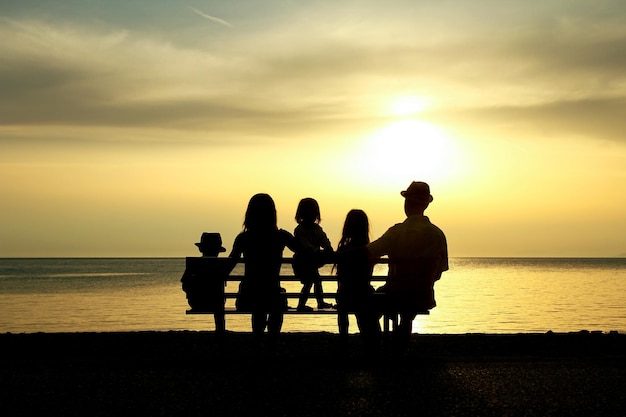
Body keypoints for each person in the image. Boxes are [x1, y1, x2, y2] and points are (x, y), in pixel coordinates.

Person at [367, 181, 448, 354]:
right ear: (426, 204)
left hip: (395, 293)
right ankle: (399, 351)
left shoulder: (397, 232)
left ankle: (376, 350)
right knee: (407, 313)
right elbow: (440, 271)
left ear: (407, 203)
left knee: (370, 308)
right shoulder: (438, 235)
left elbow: (370, 251)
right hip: (422, 295)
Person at [227, 193, 297, 350]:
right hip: (273, 296)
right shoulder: (281, 236)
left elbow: (229, 265)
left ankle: (258, 339)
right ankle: (272, 340)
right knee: (275, 299)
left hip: (248, 297)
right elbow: (302, 250)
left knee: (260, 299)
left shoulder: (243, 238)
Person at [334, 209, 382, 354]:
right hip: (362, 296)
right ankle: (372, 346)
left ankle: (345, 346)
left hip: (345, 297)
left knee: (361, 302)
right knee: (370, 305)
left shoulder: (343, 249)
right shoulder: (368, 250)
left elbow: (341, 278)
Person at [292, 197, 334, 311]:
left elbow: (324, 240)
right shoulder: (300, 230)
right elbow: (306, 246)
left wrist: (328, 249)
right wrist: (319, 252)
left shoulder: (317, 229)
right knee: (310, 282)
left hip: (311, 262)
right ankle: (302, 305)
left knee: (315, 281)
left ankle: (319, 302)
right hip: (302, 262)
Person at [180, 232, 228, 332]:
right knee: (219, 300)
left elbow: (184, 283)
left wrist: (191, 293)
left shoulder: (194, 264)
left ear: (201, 249)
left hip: (197, 302)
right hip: (217, 303)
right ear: (218, 251)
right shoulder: (222, 265)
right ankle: (220, 330)